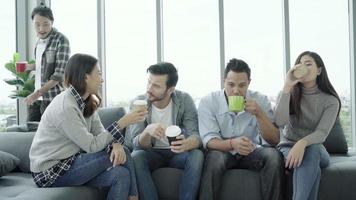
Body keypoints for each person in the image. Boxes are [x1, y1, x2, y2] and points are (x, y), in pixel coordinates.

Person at [29, 54, 147, 200]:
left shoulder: (86, 101)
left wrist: (115, 144)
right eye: (98, 73)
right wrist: (122, 122)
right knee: (126, 153)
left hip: (71, 162)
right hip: (51, 172)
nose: (102, 79)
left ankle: (133, 196)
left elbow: (101, 133)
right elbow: (92, 145)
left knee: (120, 174)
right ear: (85, 77)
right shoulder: (65, 107)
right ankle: (134, 197)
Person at [198, 58, 284, 200]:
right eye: (231, 85)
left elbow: (275, 140)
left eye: (242, 85)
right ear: (223, 81)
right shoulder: (209, 101)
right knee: (214, 158)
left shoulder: (260, 100)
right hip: (223, 151)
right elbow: (209, 141)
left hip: (253, 152)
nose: (236, 91)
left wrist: (259, 114)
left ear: (249, 83)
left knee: (274, 156)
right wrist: (233, 144)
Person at [127, 62, 204, 200]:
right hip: (152, 153)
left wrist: (186, 144)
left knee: (197, 155)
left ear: (170, 89)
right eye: (149, 82)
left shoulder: (184, 100)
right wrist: (147, 131)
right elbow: (135, 144)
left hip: (177, 153)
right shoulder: (139, 103)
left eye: (156, 86)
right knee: (136, 157)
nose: (149, 89)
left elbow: (196, 135)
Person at [274, 51, 340, 200]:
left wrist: (302, 143)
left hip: (316, 148)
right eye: (300, 64)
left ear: (319, 71)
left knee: (313, 150)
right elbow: (279, 122)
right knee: (312, 168)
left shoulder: (330, 101)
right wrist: (287, 86)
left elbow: (322, 133)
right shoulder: (287, 93)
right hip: (287, 147)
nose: (303, 67)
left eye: (308, 64)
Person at [25, 4, 71, 122]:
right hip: (37, 98)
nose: (41, 29)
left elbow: (59, 75)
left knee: (49, 137)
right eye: (37, 24)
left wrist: (37, 94)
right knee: (31, 135)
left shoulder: (61, 40)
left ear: (52, 22)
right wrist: (29, 67)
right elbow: (44, 66)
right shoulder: (39, 41)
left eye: (45, 24)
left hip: (52, 98)